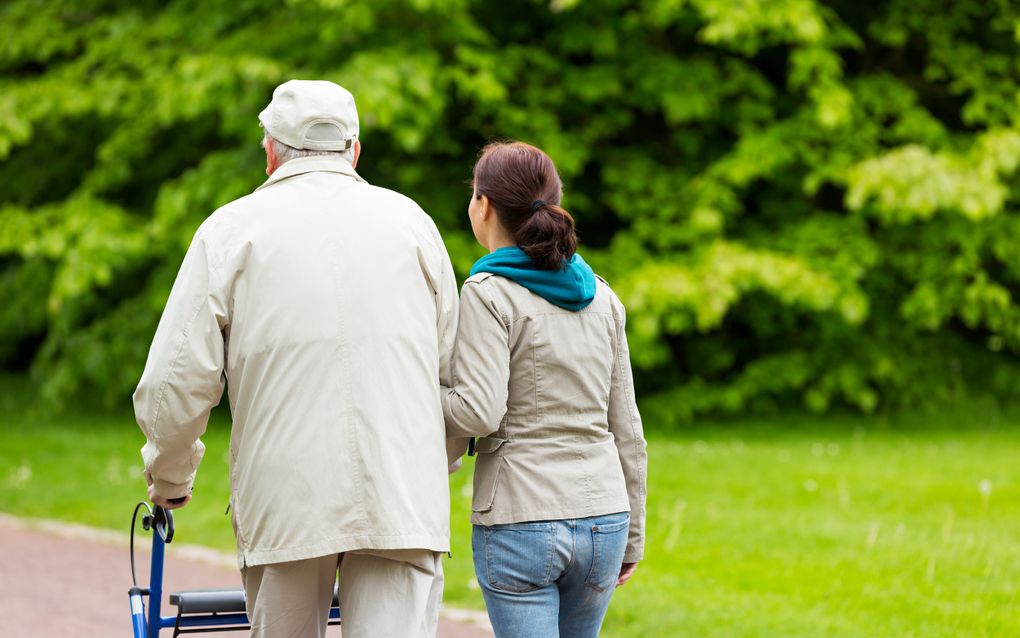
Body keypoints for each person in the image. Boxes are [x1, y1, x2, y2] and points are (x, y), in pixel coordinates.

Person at [133, 79, 459, 638]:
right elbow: (452, 369)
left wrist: (169, 476)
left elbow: (174, 381)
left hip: (286, 498)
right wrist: (436, 461)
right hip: (402, 496)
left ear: (269, 153)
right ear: (355, 150)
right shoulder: (414, 225)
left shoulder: (229, 232)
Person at [442, 141, 648, 638]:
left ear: (484, 205)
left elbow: (477, 412)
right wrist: (633, 535)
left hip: (519, 518)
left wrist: (417, 391)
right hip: (605, 516)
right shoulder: (604, 296)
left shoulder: (488, 294)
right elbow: (628, 428)